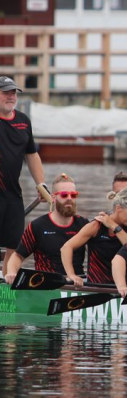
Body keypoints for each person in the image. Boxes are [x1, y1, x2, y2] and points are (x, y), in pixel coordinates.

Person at [4, 174, 88, 285]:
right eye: (64, 195)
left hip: (78, 283)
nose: (69, 199)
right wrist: (12, 273)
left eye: (73, 195)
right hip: (45, 283)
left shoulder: (84, 224)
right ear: (53, 198)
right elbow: (18, 256)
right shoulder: (38, 226)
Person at [0, 75, 46, 277]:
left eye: (13, 93)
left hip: (12, 194)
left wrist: (41, 185)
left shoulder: (23, 121)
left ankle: (5, 280)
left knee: (15, 243)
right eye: (5, 93)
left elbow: (32, 154)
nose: (10, 97)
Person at [60, 187, 127, 287]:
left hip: (122, 287)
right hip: (97, 286)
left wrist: (114, 226)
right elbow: (66, 248)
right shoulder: (96, 226)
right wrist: (71, 275)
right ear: (118, 208)